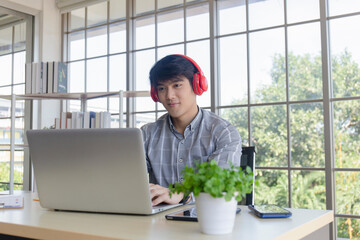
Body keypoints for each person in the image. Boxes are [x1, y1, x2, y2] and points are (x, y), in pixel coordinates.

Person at [140, 54, 242, 206]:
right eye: (162, 88)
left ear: (196, 85)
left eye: (177, 85)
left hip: (207, 223)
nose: (169, 96)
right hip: (159, 224)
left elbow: (220, 187)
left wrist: (182, 195)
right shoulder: (146, 134)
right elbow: (128, 181)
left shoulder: (223, 132)